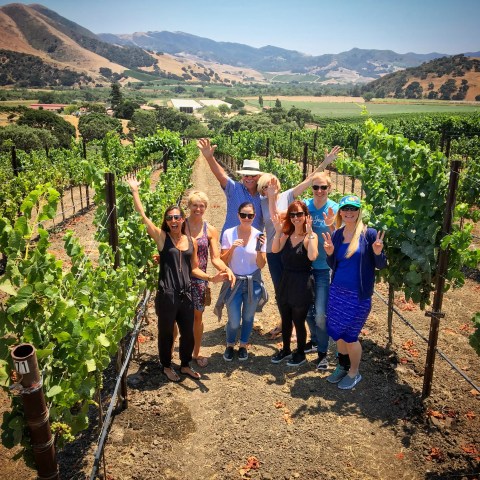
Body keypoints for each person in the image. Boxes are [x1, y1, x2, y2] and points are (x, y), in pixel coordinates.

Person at [127, 177, 231, 382]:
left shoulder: (191, 241)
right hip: (167, 294)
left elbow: (194, 269)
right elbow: (142, 216)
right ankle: (166, 365)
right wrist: (135, 192)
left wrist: (211, 277)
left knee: (188, 333)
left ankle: (184, 365)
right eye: (170, 218)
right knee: (166, 332)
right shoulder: (162, 238)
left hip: (186, 293)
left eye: (177, 218)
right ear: (166, 222)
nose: (173, 221)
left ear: (182, 219)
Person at [258, 146, 341, 338]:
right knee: (281, 289)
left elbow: (310, 180)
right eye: (265, 186)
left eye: (273, 183)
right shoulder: (261, 202)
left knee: (297, 289)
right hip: (273, 250)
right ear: (262, 190)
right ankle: (285, 322)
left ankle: (295, 325)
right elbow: (268, 219)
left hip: (292, 248)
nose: (271, 187)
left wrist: (325, 163)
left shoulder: (289, 196)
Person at [322, 195, 386, 389]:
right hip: (337, 292)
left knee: (350, 336)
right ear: (341, 212)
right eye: (346, 209)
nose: (349, 212)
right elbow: (333, 264)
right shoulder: (337, 234)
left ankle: (354, 372)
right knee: (337, 334)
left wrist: (377, 253)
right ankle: (342, 366)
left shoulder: (370, 235)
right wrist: (330, 253)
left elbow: (381, 265)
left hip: (358, 296)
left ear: (359, 212)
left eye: (353, 209)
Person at [183, 190, 233, 367]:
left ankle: (196, 352)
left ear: (206, 208)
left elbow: (215, 258)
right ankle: (179, 350)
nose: (198, 208)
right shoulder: (180, 226)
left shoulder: (210, 230)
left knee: (197, 317)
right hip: (179, 278)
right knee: (178, 317)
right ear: (188, 206)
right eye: (195, 205)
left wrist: (226, 269)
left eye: (201, 205)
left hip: (200, 279)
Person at [270, 201, 318, 367]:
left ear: (306, 216)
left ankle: (300, 353)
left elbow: (312, 256)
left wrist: (310, 233)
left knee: (299, 321)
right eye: (292, 215)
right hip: (286, 281)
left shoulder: (310, 237)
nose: (296, 218)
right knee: (286, 318)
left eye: (299, 214)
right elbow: (275, 250)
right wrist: (277, 232)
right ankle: (286, 350)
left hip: (302, 284)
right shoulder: (286, 235)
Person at [218, 202, 267, 361]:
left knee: (248, 317)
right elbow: (223, 261)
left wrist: (260, 248)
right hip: (234, 282)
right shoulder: (229, 233)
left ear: (254, 217)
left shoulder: (259, 235)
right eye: (244, 215)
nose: (247, 218)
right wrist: (232, 248)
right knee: (233, 320)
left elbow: (261, 265)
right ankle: (230, 344)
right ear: (238, 215)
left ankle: (243, 345)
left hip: (253, 282)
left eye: (250, 215)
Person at [304, 171, 339, 369]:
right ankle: (315, 340)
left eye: (323, 187)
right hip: (305, 266)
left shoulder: (334, 208)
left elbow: (341, 235)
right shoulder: (305, 206)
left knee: (320, 313)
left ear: (329, 188)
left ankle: (323, 353)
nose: (319, 191)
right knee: (308, 310)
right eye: (315, 187)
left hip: (324, 268)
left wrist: (331, 225)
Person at [197, 138, 264, 236]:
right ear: (242, 176)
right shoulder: (235, 189)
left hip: (254, 243)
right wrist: (209, 158)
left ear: (259, 177)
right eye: (246, 175)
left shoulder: (264, 196)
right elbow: (221, 175)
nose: (249, 178)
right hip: (231, 241)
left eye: (253, 176)